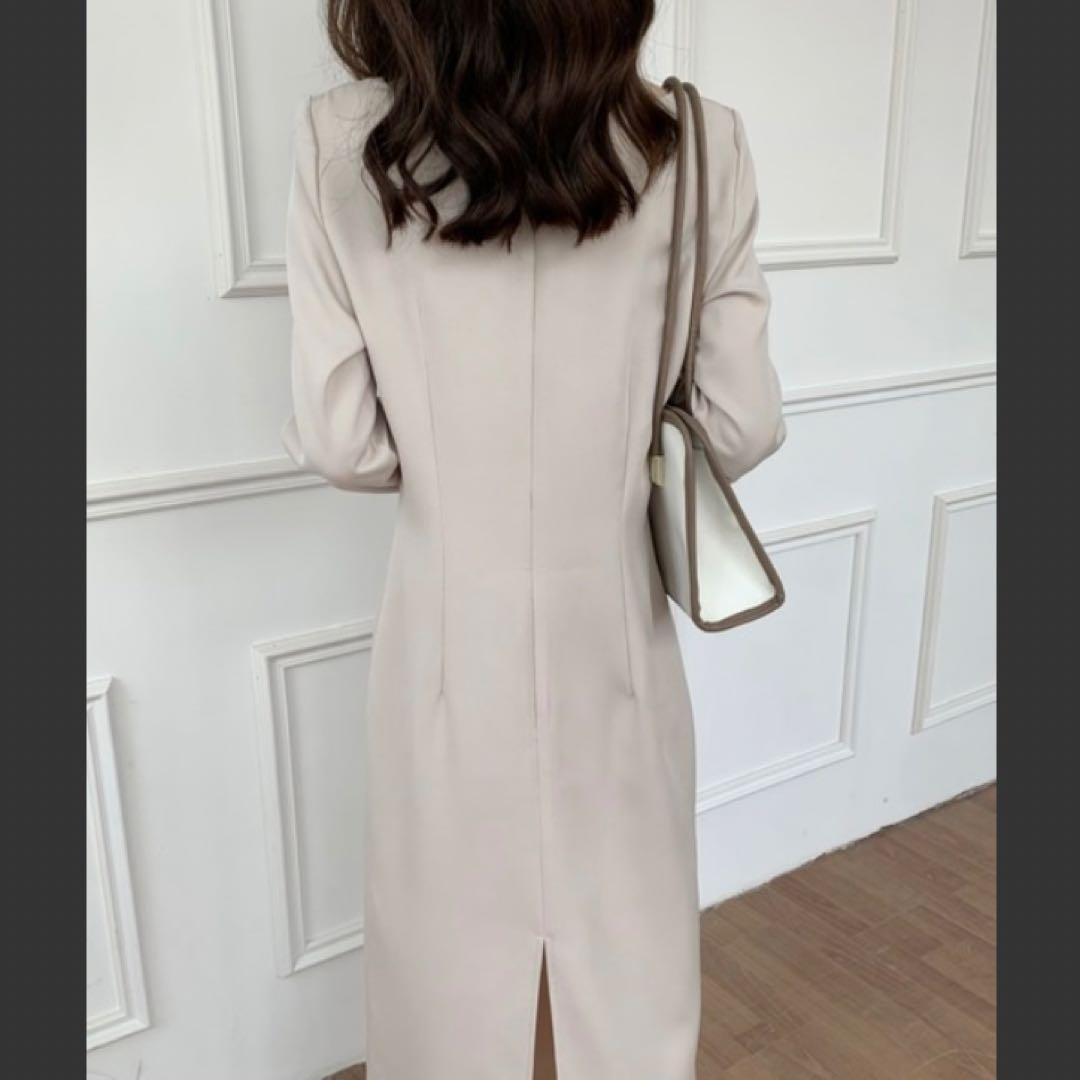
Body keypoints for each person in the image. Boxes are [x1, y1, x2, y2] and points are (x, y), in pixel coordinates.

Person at [282, 2, 786, 1077]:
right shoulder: (700, 143)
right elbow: (742, 423)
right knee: (626, 965)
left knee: (446, 978)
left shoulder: (342, 143)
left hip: (439, 641)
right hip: (616, 638)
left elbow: (344, 443)